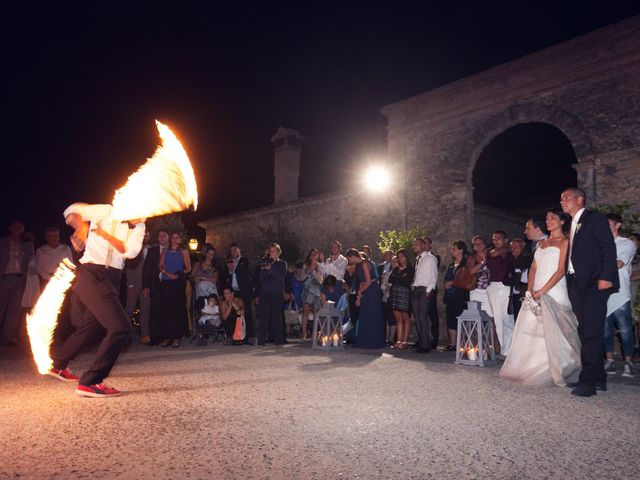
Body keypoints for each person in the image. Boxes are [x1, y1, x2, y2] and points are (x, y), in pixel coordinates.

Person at [49, 203, 146, 397]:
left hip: (113, 279)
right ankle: (91, 381)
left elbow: (130, 252)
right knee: (121, 328)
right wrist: (82, 227)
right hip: (92, 273)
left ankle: (58, 364)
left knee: (90, 328)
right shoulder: (105, 211)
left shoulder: (140, 227)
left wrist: (105, 235)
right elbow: (70, 211)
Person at [500, 207, 581, 387]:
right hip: (535, 289)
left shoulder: (566, 242)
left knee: (556, 329)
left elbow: (561, 270)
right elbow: (534, 268)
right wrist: (530, 290)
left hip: (554, 290)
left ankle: (561, 369)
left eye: (552, 218)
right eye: (547, 218)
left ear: (561, 221)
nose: (548, 221)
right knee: (534, 329)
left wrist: (543, 291)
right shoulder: (541, 244)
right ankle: (535, 367)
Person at [561, 187, 618, 397]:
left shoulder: (594, 219)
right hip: (577, 283)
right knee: (586, 331)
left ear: (580, 199)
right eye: (561, 199)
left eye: (567, 197)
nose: (563, 201)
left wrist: (606, 276)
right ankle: (599, 378)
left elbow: (608, 248)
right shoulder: (572, 224)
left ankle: (587, 383)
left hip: (595, 283)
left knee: (591, 333)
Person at [603, 213, 637, 377]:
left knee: (625, 331)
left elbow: (619, 263)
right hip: (602, 293)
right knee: (605, 331)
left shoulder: (627, 244)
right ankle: (609, 361)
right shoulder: (600, 245)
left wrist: (596, 263)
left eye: (607, 224)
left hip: (620, 293)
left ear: (617, 225)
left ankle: (628, 362)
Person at [0, 221, 33, 345]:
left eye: (20, 228)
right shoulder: (2, 242)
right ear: (10, 228)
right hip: (4, 278)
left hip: (19, 279)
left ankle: (8, 337)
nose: (17, 230)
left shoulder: (25, 246)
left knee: (14, 309)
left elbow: (30, 262)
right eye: (15, 227)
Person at [346, 248, 385, 348]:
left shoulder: (364, 263)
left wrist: (359, 292)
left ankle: (372, 341)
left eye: (349, 259)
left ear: (353, 257)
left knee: (372, 315)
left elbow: (368, 281)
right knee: (366, 314)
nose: (349, 262)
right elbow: (365, 281)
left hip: (372, 291)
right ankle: (367, 340)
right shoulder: (360, 265)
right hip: (367, 290)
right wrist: (360, 295)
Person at [158, 232, 191, 348]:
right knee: (166, 310)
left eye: (177, 238)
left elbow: (188, 268)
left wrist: (178, 275)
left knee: (177, 310)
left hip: (178, 283)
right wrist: (166, 273)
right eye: (173, 238)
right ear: (170, 239)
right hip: (166, 282)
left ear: (180, 240)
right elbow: (160, 265)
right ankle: (166, 337)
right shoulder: (165, 251)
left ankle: (176, 337)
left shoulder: (184, 251)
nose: (175, 239)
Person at [485, 231, 515, 357]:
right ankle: (504, 349)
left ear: (505, 240)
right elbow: (493, 253)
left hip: (505, 286)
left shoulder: (510, 252)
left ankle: (510, 350)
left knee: (507, 319)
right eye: (494, 239)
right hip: (493, 286)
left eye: (499, 238)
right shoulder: (490, 253)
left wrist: (506, 249)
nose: (496, 241)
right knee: (497, 320)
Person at [142, 229, 170, 344]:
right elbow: (146, 270)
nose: (162, 237)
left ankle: (165, 337)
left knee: (166, 311)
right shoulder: (152, 251)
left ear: (168, 237)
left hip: (168, 284)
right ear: (158, 238)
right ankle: (154, 338)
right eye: (160, 236)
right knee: (155, 311)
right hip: (155, 284)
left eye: (164, 235)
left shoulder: (172, 250)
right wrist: (145, 286)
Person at [123, 230, 151, 344]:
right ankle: (124, 335)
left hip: (146, 285)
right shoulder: (133, 250)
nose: (146, 237)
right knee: (129, 310)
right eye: (144, 235)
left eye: (148, 235)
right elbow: (128, 268)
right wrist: (130, 284)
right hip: (134, 284)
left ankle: (144, 334)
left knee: (145, 309)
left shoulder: (151, 249)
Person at [411, 237, 438, 353]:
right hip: (416, 289)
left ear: (423, 246)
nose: (414, 246)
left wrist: (429, 290)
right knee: (417, 317)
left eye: (416, 244)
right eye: (413, 245)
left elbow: (434, 275)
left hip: (425, 290)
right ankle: (421, 342)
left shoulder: (430, 258)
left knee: (422, 316)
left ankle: (426, 345)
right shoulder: (418, 259)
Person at [442, 241, 470, 351]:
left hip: (461, 295)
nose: (451, 251)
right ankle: (452, 344)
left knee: (460, 318)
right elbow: (447, 279)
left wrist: (451, 283)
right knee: (450, 319)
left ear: (461, 250)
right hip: (450, 296)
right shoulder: (451, 264)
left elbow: (464, 279)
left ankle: (462, 344)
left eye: (454, 249)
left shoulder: (466, 263)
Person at [257, 243, 286, 345]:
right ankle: (261, 341)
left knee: (276, 317)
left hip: (277, 292)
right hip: (265, 292)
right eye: (270, 251)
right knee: (263, 316)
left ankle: (278, 341)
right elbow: (262, 279)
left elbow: (280, 277)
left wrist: (270, 269)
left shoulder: (282, 264)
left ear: (278, 253)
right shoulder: (265, 263)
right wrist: (263, 269)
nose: (271, 253)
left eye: (273, 251)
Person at [226, 243, 254, 343]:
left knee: (246, 313)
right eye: (231, 251)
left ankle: (249, 336)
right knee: (235, 313)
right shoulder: (229, 262)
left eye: (235, 250)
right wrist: (230, 271)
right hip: (234, 291)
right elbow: (228, 277)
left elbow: (245, 272)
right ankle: (236, 336)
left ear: (239, 250)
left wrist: (234, 268)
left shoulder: (244, 261)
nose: (233, 252)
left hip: (244, 291)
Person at [389, 249, 414, 350]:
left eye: (402, 256)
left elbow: (407, 281)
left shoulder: (410, 269)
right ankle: (398, 340)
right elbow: (390, 279)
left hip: (405, 294)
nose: (400, 258)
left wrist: (398, 278)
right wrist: (400, 277)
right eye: (398, 257)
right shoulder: (396, 269)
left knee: (405, 317)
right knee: (398, 318)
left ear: (406, 257)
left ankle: (405, 341)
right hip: (395, 293)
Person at [503, 238, 531, 320]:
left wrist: (514, 276)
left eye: (516, 246)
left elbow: (524, 279)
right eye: (511, 247)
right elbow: (506, 280)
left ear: (522, 247)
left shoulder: (528, 261)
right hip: (515, 296)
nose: (513, 249)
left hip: (524, 295)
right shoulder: (511, 264)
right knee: (516, 320)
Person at [467, 236, 493, 319]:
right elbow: (471, 271)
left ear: (485, 244)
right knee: (476, 318)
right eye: (476, 244)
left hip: (490, 291)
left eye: (480, 243)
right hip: (476, 291)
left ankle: (491, 332)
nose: (478, 245)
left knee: (491, 318)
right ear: (473, 247)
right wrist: (482, 262)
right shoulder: (472, 258)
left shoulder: (491, 255)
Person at [301, 248, 324, 340]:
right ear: (309, 255)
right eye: (312, 254)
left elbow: (321, 281)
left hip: (317, 291)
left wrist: (314, 271)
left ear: (317, 255)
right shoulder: (305, 265)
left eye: (315, 254)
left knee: (315, 312)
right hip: (307, 290)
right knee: (305, 312)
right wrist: (307, 272)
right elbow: (302, 279)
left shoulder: (320, 266)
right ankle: (304, 333)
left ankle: (314, 334)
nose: (313, 256)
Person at [424, 238, 441, 349]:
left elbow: (432, 275)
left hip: (430, 290)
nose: (424, 245)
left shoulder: (434, 257)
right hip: (420, 290)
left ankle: (435, 340)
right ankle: (423, 339)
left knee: (432, 315)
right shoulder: (419, 258)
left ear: (430, 245)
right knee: (421, 315)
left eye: (426, 243)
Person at [378, 250, 395, 345]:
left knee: (391, 317)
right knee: (383, 316)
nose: (387, 256)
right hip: (382, 294)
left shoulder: (395, 268)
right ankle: (383, 337)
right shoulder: (380, 267)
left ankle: (391, 338)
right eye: (386, 254)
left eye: (390, 254)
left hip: (391, 294)